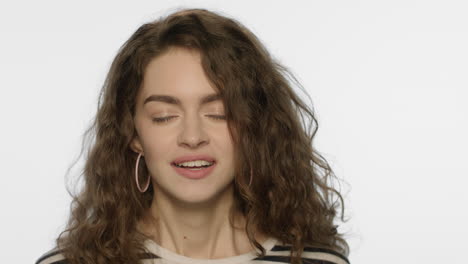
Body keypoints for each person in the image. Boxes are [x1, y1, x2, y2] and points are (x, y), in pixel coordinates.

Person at [36, 7, 350, 264]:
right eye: (164, 117)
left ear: (253, 125)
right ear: (132, 133)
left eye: (219, 113)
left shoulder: (317, 261)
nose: (192, 136)